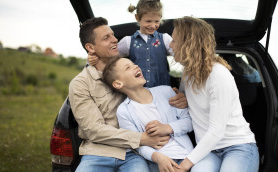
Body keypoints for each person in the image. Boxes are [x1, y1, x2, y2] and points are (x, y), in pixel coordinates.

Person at [69, 17, 171, 172]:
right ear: (90, 47)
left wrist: (178, 94)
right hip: (97, 153)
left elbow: (155, 90)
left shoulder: (131, 69)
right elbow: (93, 130)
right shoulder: (80, 84)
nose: (115, 40)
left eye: (113, 35)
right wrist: (141, 138)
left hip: (135, 153)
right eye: (106, 37)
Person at [169, 16, 260, 172]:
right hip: (208, 151)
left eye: (174, 41)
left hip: (237, 146)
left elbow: (216, 130)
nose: (170, 45)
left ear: (188, 45)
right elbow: (190, 105)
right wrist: (183, 98)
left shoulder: (218, 75)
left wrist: (185, 164)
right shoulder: (188, 74)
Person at [101, 57, 194, 172]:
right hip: (157, 162)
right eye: (128, 67)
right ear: (118, 84)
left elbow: (189, 121)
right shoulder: (124, 111)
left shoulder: (166, 91)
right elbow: (137, 144)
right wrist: (158, 158)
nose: (136, 66)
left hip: (186, 157)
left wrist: (167, 128)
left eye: (134, 64)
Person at [89, 0, 173, 88]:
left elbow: (181, 56)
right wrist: (94, 59)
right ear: (137, 18)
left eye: (156, 21)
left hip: (163, 89)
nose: (153, 25)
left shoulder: (165, 38)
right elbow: (110, 57)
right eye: (148, 21)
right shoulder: (128, 41)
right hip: (138, 91)